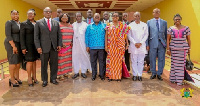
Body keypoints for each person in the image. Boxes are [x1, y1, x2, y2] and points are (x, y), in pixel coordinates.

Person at [34, 7, 62, 87]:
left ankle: (53, 78)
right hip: (43, 47)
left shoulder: (56, 23)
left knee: (54, 64)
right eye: (46, 12)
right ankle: (44, 80)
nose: (48, 13)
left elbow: (59, 35)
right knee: (44, 64)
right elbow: (36, 36)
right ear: (43, 13)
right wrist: (38, 47)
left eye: (50, 12)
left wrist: (59, 44)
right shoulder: (39, 23)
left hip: (54, 47)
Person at [167, 14, 194, 85]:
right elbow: (168, 39)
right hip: (174, 49)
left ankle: (179, 81)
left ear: (181, 20)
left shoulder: (186, 28)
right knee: (174, 64)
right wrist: (168, 49)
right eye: (176, 19)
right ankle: (173, 79)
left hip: (183, 49)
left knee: (181, 65)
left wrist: (189, 48)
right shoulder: (170, 29)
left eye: (178, 19)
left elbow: (188, 39)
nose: (177, 20)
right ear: (174, 20)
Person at [105, 12, 130, 82]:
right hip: (111, 46)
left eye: (116, 16)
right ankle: (111, 76)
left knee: (118, 62)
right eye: (114, 16)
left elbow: (125, 35)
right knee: (111, 62)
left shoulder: (122, 25)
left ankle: (118, 77)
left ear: (118, 17)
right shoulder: (108, 25)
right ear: (112, 17)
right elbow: (106, 36)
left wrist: (127, 44)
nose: (115, 17)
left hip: (120, 46)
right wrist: (106, 46)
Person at [146, 8, 167, 81]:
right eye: (155, 12)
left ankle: (159, 73)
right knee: (152, 59)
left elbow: (165, 34)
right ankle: (153, 73)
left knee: (161, 59)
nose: (157, 13)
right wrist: (147, 44)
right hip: (152, 43)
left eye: (158, 12)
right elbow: (147, 34)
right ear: (153, 13)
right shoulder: (149, 22)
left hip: (162, 44)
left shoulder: (164, 22)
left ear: (160, 13)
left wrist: (166, 44)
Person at [20, 9, 39, 86]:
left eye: (31, 14)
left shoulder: (37, 23)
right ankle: (29, 78)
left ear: (34, 15)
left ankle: (34, 77)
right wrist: (23, 47)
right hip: (28, 46)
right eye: (28, 14)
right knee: (29, 61)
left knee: (34, 61)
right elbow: (22, 36)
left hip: (36, 46)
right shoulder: (24, 24)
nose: (30, 15)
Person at [85, 13, 106, 81]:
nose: (97, 18)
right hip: (92, 47)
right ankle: (94, 74)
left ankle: (101, 74)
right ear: (93, 18)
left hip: (102, 47)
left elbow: (107, 36)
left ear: (100, 18)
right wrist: (87, 46)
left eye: (98, 17)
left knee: (101, 62)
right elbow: (87, 36)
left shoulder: (104, 26)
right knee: (93, 62)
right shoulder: (89, 26)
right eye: (95, 17)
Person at [128, 12, 148, 81]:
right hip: (133, 46)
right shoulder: (130, 25)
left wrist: (141, 43)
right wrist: (135, 43)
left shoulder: (144, 25)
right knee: (133, 60)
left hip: (141, 46)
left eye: (138, 16)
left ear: (140, 16)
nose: (137, 17)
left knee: (141, 61)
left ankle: (139, 75)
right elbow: (129, 35)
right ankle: (134, 75)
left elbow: (146, 35)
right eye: (135, 16)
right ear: (133, 17)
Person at [4, 10, 22, 87]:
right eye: (13, 14)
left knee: (18, 63)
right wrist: (13, 46)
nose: (15, 15)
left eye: (17, 14)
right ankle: (12, 79)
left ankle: (17, 77)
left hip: (18, 43)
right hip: (11, 43)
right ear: (11, 15)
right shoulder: (9, 23)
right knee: (13, 61)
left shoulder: (19, 23)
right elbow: (8, 35)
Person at [72, 12, 92, 79]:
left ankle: (83, 72)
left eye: (80, 16)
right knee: (75, 57)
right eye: (77, 16)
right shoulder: (73, 25)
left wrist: (88, 45)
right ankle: (76, 72)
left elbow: (88, 36)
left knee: (84, 57)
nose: (78, 17)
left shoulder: (85, 25)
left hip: (83, 44)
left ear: (82, 17)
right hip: (75, 44)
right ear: (75, 17)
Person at [57, 13, 73, 80]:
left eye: (66, 17)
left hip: (69, 46)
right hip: (62, 47)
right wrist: (60, 44)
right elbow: (57, 35)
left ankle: (66, 73)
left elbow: (73, 35)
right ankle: (60, 75)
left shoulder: (71, 26)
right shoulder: (58, 25)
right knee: (61, 61)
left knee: (67, 60)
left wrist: (72, 42)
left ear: (68, 18)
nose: (64, 18)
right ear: (60, 18)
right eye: (63, 17)